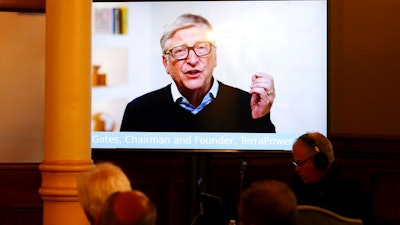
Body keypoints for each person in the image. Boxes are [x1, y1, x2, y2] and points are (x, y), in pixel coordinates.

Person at [120, 13, 276, 132]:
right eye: (180, 51)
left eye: (201, 48)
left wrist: (259, 118)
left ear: (215, 57)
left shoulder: (248, 105)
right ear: (165, 63)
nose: (193, 60)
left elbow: (269, 170)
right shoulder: (138, 111)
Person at [291, 132, 372, 224]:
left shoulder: (349, 188)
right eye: (296, 164)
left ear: (320, 161)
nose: (297, 169)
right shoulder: (299, 183)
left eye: (301, 163)